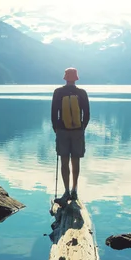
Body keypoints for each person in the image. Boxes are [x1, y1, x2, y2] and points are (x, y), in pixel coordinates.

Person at [51, 67, 90, 203]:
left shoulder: (58, 92)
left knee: (64, 161)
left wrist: (56, 128)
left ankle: (66, 191)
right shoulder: (82, 93)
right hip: (77, 131)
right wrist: (82, 127)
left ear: (65, 78)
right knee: (76, 160)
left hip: (62, 131)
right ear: (76, 78)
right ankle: (75, 190)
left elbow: (53, 112)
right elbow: (87, 114)